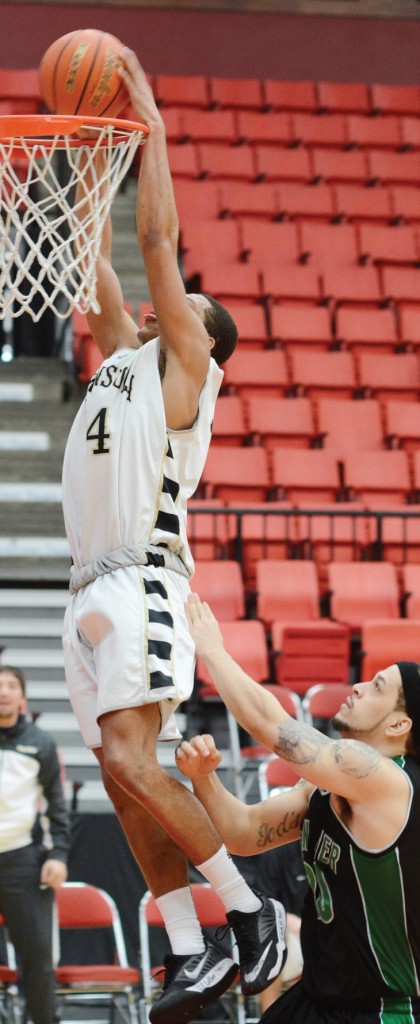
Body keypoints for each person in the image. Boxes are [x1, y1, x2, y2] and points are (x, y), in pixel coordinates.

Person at [61, 48, 286, 1024]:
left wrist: (145, 116)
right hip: (88, 589)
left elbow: (154, 239)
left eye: (187, 303)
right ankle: (194, 951)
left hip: (140, 581)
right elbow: (98, 267)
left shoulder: (187, 369)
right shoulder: (128, 359)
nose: (166, 299)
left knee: (128, 757)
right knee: (123, 780)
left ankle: (253, 915)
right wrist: (82, 163)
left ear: (202, 333)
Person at [177, 593, 420, 1024]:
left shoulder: (387, 781)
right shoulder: (326, 788)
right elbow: (244, 833)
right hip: (316, 1000)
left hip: (381, 1011)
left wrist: (211, 650)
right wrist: (204, 777)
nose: (359, 686)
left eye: (377, 687)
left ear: (400, 725)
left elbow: (271, 724)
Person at [0, 664, 70, 1024]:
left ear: (22, 697)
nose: (3, 691)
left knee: (38, 959)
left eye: (10, 685)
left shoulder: (40, 742)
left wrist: (58, 854)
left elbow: (58, 805)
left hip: (22, 862)